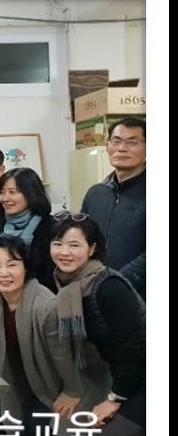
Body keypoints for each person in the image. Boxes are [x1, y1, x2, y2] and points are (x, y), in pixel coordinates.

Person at [0, 236, 104, 436]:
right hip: (10, 381)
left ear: (26, 267)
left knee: (37, 428)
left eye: (12, 265)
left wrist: (72, 391)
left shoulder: (46, 304)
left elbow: (62, 355)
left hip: (47, 385)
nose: (4, 273)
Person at [50, 213, 145, 436]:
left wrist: (115, 399)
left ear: (92, 249)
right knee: (63, 430)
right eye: (58, 244)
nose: (64, 252)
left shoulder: (109, 286)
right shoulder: (67, 284)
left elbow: (136, 346)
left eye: (74, 245)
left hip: (142, 376)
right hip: (116, 374)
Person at [81, 117, 146, 299]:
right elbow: (83, 239)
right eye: (116, 141)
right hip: (95, 294)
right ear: (107, 146)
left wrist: (117, 282)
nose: (122, 148)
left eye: (132, 142)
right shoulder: (96, 193)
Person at [0, 167, 56, 291]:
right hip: (6, 295)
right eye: (2, 192)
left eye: (12, 192)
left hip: (43, 296)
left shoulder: (52, 228)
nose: (5, 198)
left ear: (31, 193)